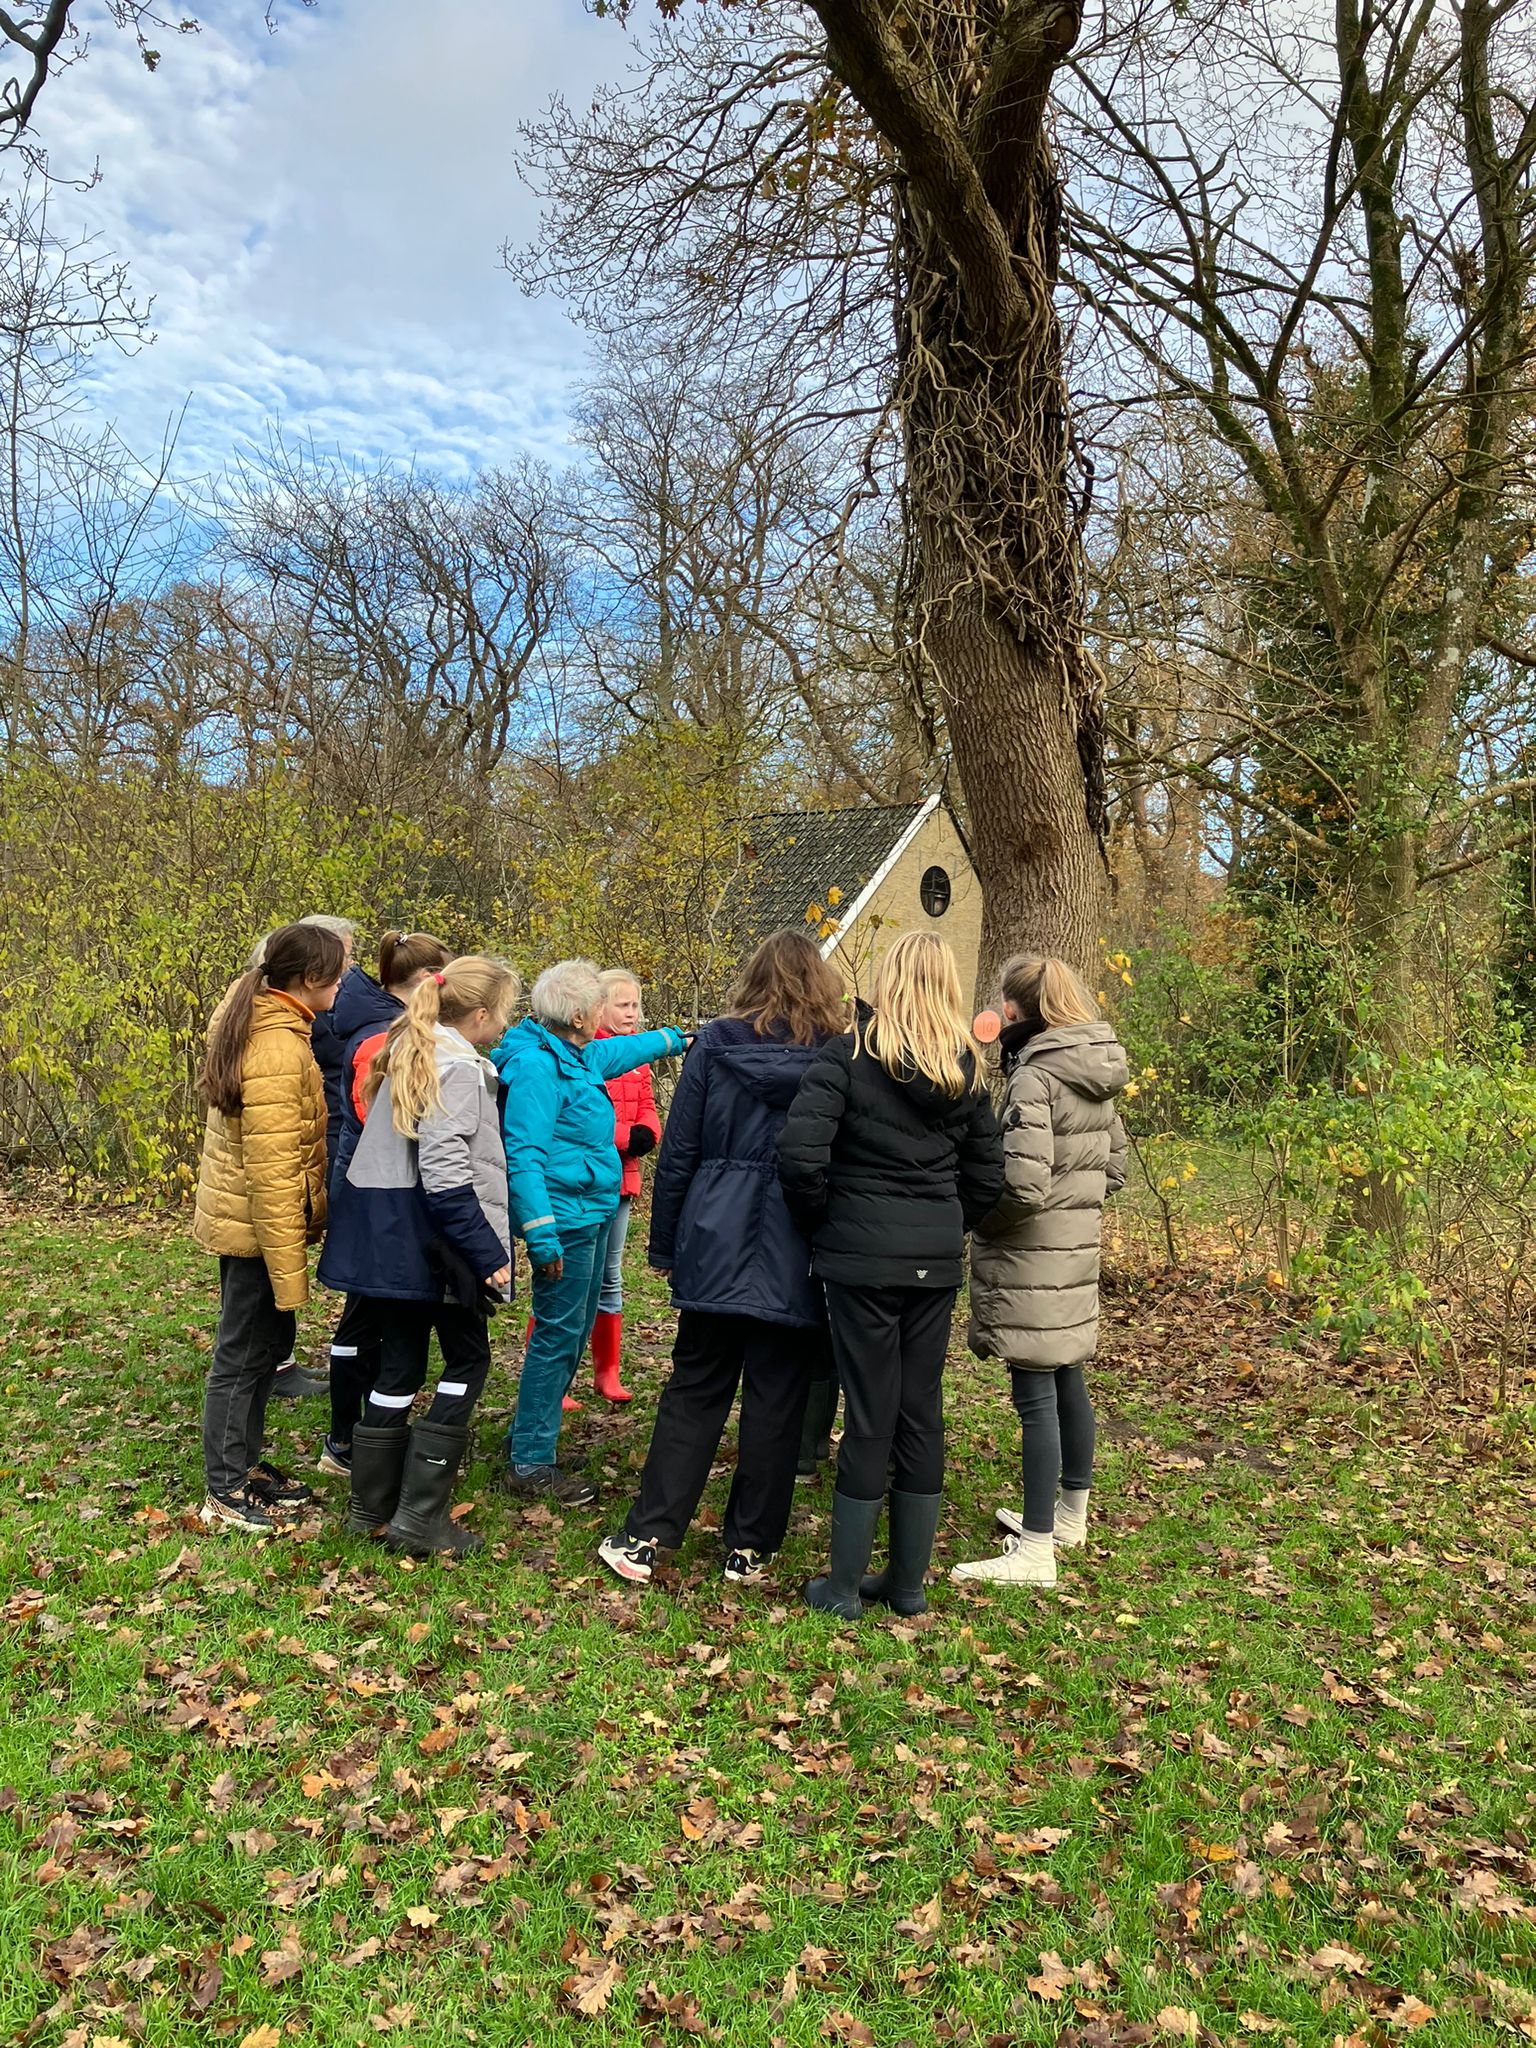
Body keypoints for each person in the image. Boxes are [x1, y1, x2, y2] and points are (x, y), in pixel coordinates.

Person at [598, 932, 847, 1587]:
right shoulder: (837, 1054)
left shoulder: (716, 1043)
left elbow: (680, 1150)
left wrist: (665, 1240)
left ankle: (649, 1534)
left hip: (717, 1230)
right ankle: (751, 1546)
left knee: (696, 1388)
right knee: (777, 1396)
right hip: (794, 1243)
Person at [778, 931, 1004, 1620]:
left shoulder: (846, 1057)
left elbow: (799, 1159)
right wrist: (942, 1225)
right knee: (919, 1411)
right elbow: (989, 1179)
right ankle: (906, 1586)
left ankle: (845, 1587)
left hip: (860, 1261)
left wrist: (830, 1223)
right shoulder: (966, 1069)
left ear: (889, 979)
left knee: (871, 1412)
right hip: (929, 1264)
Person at [318, 956, 519, 1556]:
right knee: (468, 1360)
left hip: (390, 1240)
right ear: (480, 1015)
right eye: (504, 1015)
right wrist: (486, 1251)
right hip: (436, 1244)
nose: (504, 1026)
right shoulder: (456, 1067)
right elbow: (445, 1170)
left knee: (399, 1368)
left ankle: (370, 1507)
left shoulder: (408, 1050)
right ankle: (421, 1517)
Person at [951, 955, 1128, 1589]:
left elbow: (1021, 1187)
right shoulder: (1098, 1069)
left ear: (1021, 1011)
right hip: (1076, 1249)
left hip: (1030, 1255)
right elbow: (1115, 1169)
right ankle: (1069, 1517)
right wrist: (1077, 1214)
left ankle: (1036, 1550)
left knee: (1034, 1395)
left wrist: (979, 1222)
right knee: (1067, 1376)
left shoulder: (1035, 1078)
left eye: (1004, 1005)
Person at [494, 960, 688, 1506]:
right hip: (565, 1220)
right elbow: (523, 1158)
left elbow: (623, 1051)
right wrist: (542, 1235)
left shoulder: (574, 1055)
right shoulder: (536, 1067)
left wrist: (678, 1039)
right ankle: (530, 1460)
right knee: (558, 1335)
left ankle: (533, 1438)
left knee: (573, 1331)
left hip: (593, 1207)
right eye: (601, 1004)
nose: (608, 1014)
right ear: (579, 1014)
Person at [192, 921, 348, 1531]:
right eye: (338, 972)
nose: (344, 982)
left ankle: (244, 1465)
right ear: (308, 980)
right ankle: (225, 1488)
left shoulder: (269, 1021)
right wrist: (289, 1273)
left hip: (256, 1223)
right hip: (258, 1226)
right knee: (242, 1355)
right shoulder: (277, 1046)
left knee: (258, 1353)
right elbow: (273, 1170)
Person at [319, 929, 453, 1478]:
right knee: (366, 1321)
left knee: (364, 1316)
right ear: (426, 981)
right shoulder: (383, 1038)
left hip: (371, 1194)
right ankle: (347, 1441)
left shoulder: (373, 1024)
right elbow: (389, 1123)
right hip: (380, 1200)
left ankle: (352, 1436)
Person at [586, 968, 662, 1407]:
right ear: (600, 1006)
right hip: (585, 1179)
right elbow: (582, 1115)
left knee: (611, 1273)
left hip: (622, 1179)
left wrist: (647, 1131)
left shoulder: (639, 1057)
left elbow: (647, 1106)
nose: (632, 1013)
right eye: (623, 1005)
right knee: (574, 1276)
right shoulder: (587, 1051)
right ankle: (558, 1369)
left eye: (636, 1005)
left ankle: (607, 1372)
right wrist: (622, 1136)